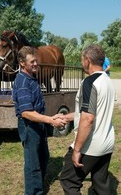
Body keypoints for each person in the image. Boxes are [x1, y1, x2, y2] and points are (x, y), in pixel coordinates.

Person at [59, 44, 116, 195]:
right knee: (100, 184)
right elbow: (94, 111)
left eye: (82, 59)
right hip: (107, 143)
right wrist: (67, 117)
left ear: (87, 60)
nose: (81, 62)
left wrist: (77, 149)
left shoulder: (89, 83)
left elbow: (88, 118)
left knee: (68, 180)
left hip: (91, 145)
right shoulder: (108, 81)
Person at [12, 46, 66, 194]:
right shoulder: (23, 83)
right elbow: (26, 113)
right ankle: (34, 192)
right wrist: (50, 120)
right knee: (32, 163)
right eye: (32, 62)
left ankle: (39, 185)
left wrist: (49, 119)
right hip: (29, 126)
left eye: (36, 61)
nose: (36, 64)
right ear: (22, 63)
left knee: (43, 156)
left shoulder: (31, 77)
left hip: (38, 124)